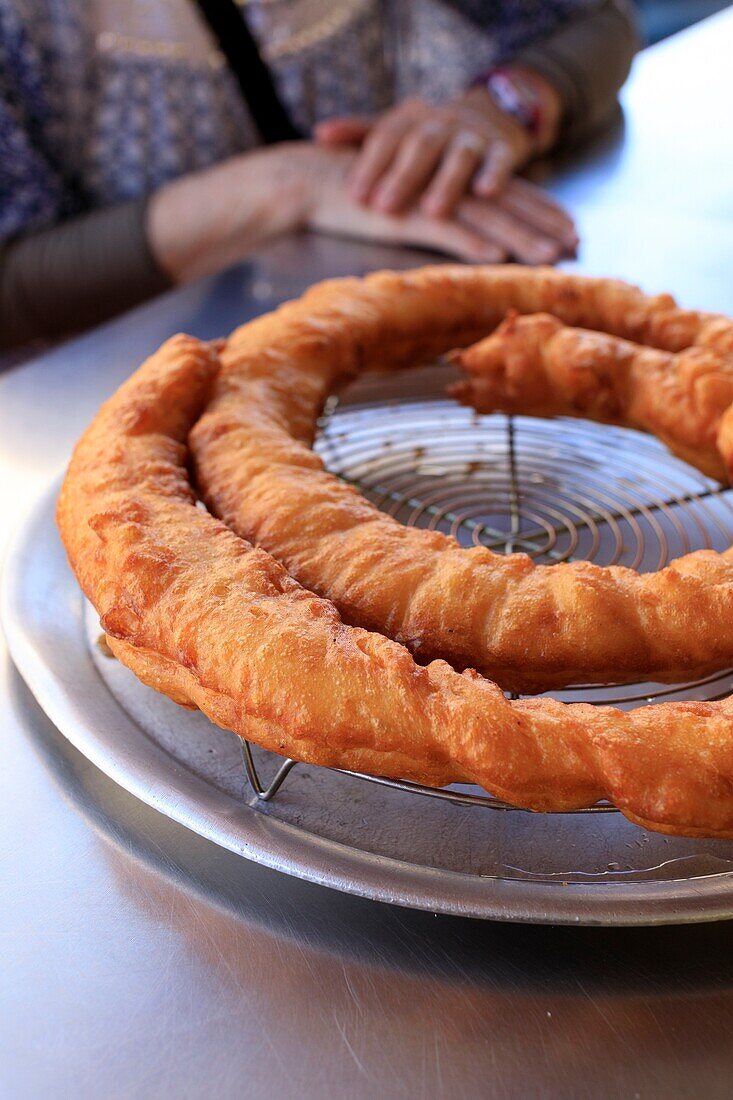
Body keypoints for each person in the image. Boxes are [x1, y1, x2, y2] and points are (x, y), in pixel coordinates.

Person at [0, 0, 637, 353]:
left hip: (411, 359)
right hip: (108, 403)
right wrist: (287, 185)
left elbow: (592, 20)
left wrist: (503, 105)